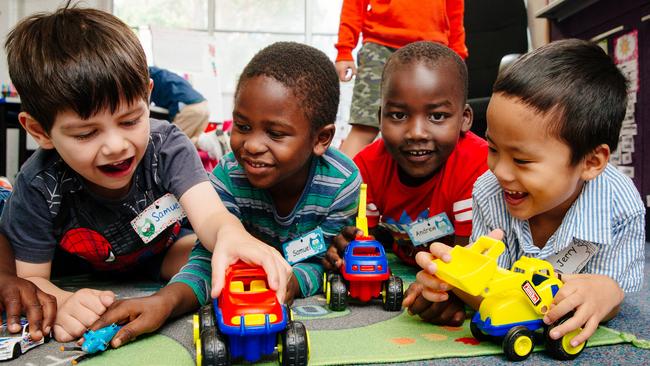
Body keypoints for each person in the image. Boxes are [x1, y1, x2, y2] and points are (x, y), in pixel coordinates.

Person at [1, 5, 290, 343]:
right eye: (86, 134)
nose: (115, 145)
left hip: (161, 252)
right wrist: (65, 301)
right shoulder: (39, 183)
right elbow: (31, 279)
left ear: (148, 96)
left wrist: (231, 233)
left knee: (221, 254)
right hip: (79, 266)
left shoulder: (167, 147)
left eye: (129, 121)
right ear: (40, 131)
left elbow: (211, 215)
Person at [89, 42, 361, 347]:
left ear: (321, 138)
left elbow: (323, 258)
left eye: (275, 133)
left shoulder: (342, 183)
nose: (252, 145)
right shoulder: (227, 176)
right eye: (242, 126)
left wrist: (292, 283)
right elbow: (209, 258)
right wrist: (166, 301)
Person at [412, 39, 645, 347]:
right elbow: (490, 286)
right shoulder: (488, 189)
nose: (501, 171)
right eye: (493, 148)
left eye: (521, 160)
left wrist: (605, 292)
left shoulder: (621, 208)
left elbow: (614, 293)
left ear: (591, 162)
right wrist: (452, 282)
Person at [325, 41, 488, 325]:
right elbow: (365, 237)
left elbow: (472, 256)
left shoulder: (476, 164)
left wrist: (451, 290)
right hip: (406, 267)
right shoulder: (367, 167)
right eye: (399, 116)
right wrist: (342, 247)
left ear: (464, 120)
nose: (416, 133)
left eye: (437, 116)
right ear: (380, 118)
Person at [336, 0, 469, 158]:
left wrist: (458, 57)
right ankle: (339, 182)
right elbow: (355, 4)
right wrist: (345, 49)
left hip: (433, 50)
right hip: (380, 47)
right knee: (365, 127)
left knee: (440, 126)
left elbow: (455, 12)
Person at [148, 66, 210, 144]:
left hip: (190, 108)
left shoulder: (149, 76)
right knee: (193, 143)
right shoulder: (164, 74)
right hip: (204, 105)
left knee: (171, 143)